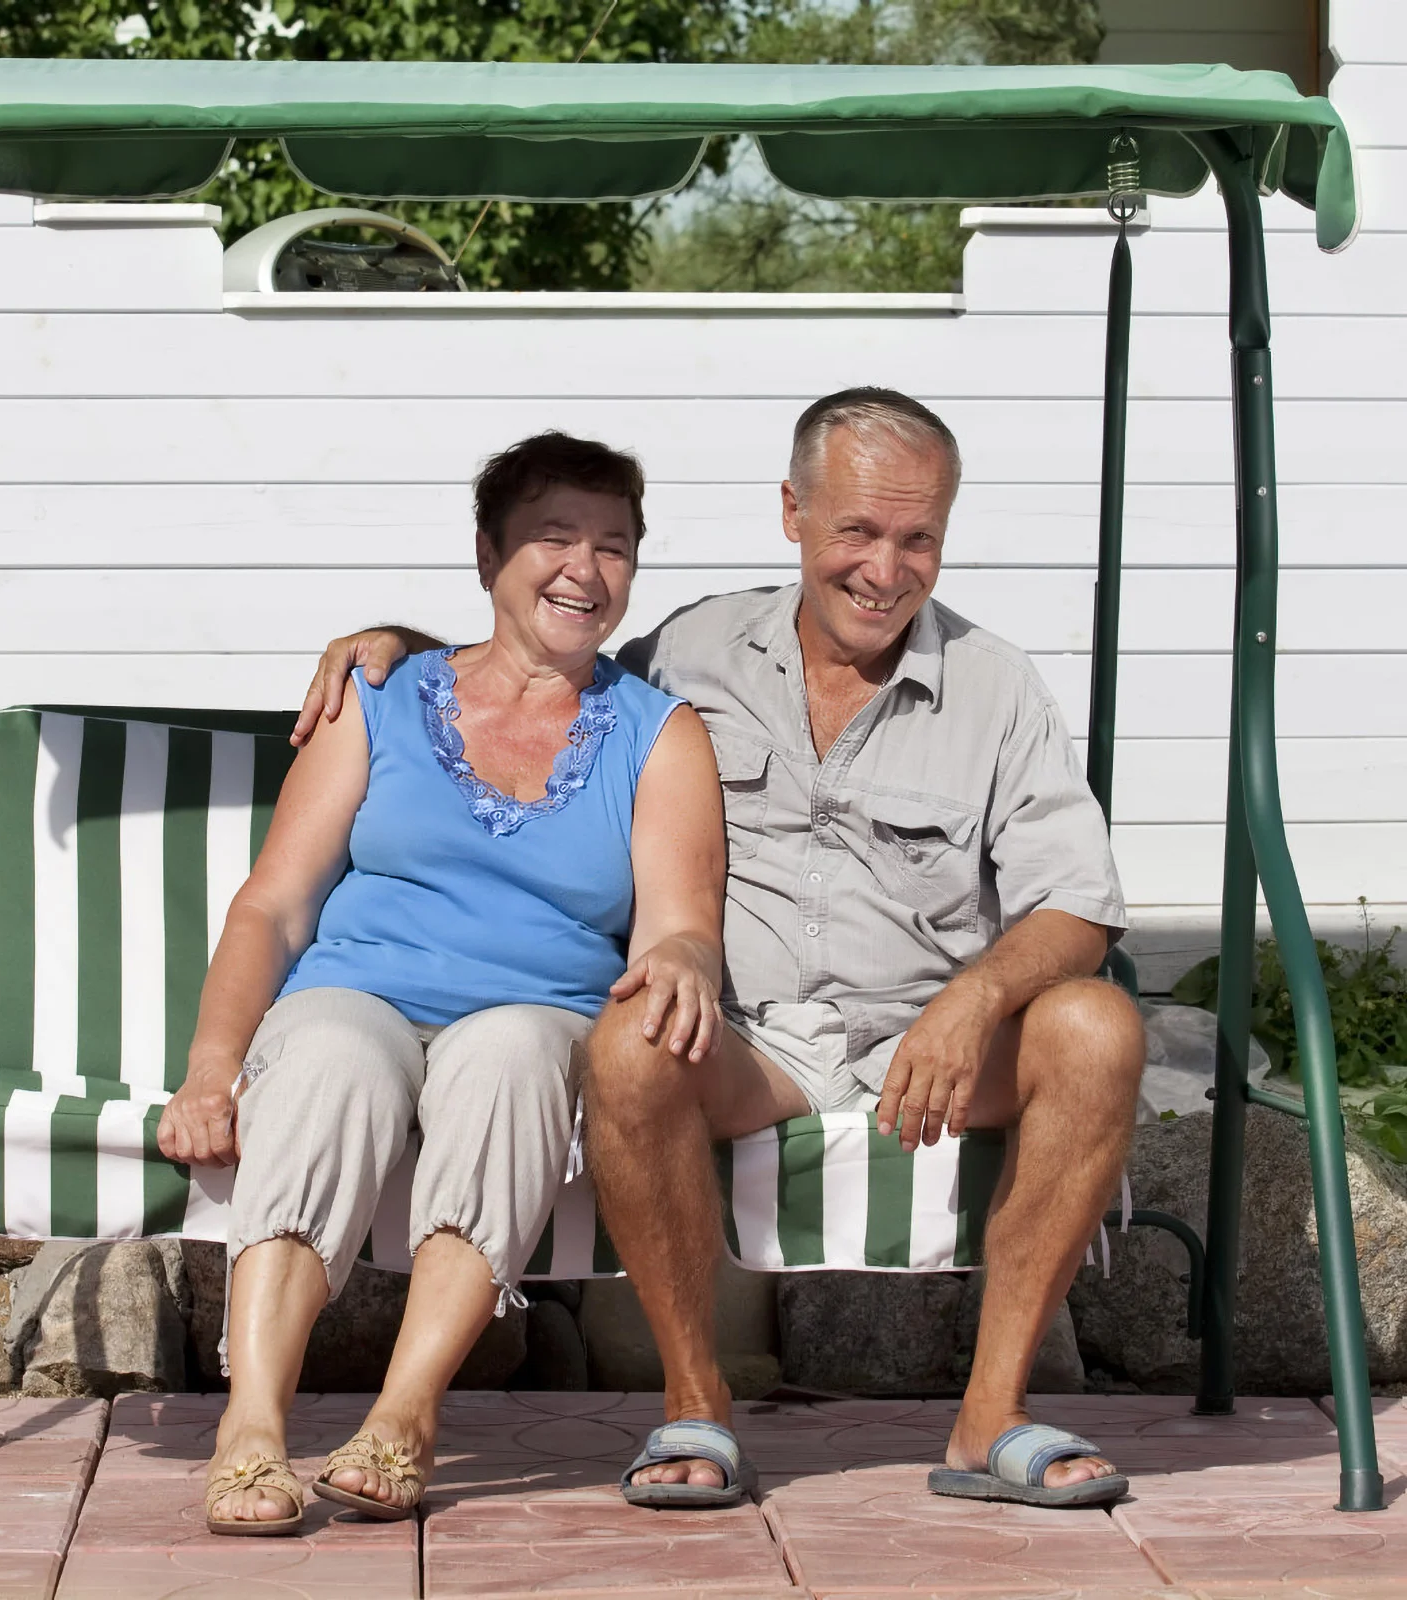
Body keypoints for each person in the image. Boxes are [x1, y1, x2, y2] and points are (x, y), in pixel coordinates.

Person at [296, 388, 1146, 1512]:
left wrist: (972, 999)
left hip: (925, 1045)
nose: (884, 569)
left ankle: (989, 1416)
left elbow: (1078, 904)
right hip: (747, 1042)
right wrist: (403, 651)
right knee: (633, 1041)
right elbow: (542, 660)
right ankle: (696, 1403)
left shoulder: (997, 687)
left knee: (1099, 1023)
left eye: (917, 538)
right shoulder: (687, 654)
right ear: (792, 513)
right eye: (856, 531)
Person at [160, 431, 725, 1533]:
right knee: (325, 1054)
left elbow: (679, 925)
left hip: (536, 1011)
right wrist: (212, 1067)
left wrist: (681, 957)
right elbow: (273, 904)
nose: (585, 568)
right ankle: (253, 1426)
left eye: (614, 546)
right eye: (554, 536)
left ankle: (407, 1415)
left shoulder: (661, 735)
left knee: (513, 1060)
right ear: (488, 554)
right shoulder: (378, 693)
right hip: (358, 989)